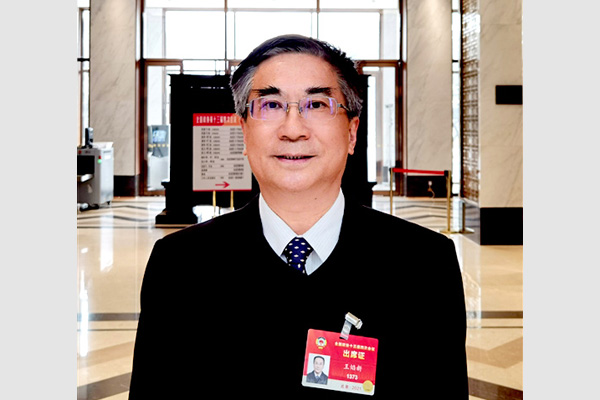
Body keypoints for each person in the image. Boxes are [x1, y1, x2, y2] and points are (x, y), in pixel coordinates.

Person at [128, 34, 468, 399]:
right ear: (244, 131)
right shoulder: (180, 265)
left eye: (317, 104)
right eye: (271, 105)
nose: (293, 130)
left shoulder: (424, 264)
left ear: (352, 132)